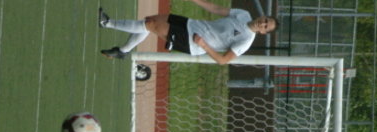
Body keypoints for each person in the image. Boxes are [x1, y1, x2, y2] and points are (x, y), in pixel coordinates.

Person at [98, 0, 278, 65]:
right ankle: (122, 51)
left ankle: (107, 23)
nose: (262, 23)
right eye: (265, 20)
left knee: (151, 25)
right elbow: (216, 9)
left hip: (192, 41)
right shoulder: (243, 14)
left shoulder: (246, 40)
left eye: (265, 27)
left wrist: (204, 45)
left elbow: (223, 60)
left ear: (263, 32)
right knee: (149, 20)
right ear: (263, 16)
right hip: (191, 24)